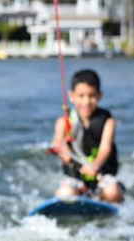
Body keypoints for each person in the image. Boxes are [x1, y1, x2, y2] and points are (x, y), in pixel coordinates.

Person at [50, 69, 124, 202]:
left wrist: (94, 166)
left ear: (99, 95)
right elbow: (57, 143)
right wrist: (63, 151)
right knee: (64, 194)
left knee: (113, 192)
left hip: (102, 176)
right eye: (81, 95)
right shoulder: (63, 122)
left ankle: (106, 200)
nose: (86, 101)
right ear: (71, 96)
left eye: (91, 96)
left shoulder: (108, 121)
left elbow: (105, 149)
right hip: (75, 177)